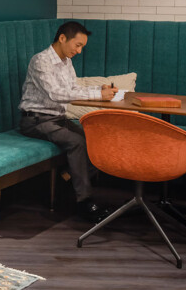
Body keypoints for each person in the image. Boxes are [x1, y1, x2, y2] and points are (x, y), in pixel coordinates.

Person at [19, 21, 115, 222]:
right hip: (36, 120)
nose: (79, 51)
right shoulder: (40, 61)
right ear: (62, 38)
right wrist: (97, 95)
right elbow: (56, 94)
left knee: (98, 139)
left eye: (82, 47)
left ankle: (66, 178)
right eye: (77, 45)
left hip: (58, 119)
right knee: (76, 142)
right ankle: (84, 202)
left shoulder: (66, 62)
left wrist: (99, 90)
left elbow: (74, 89)